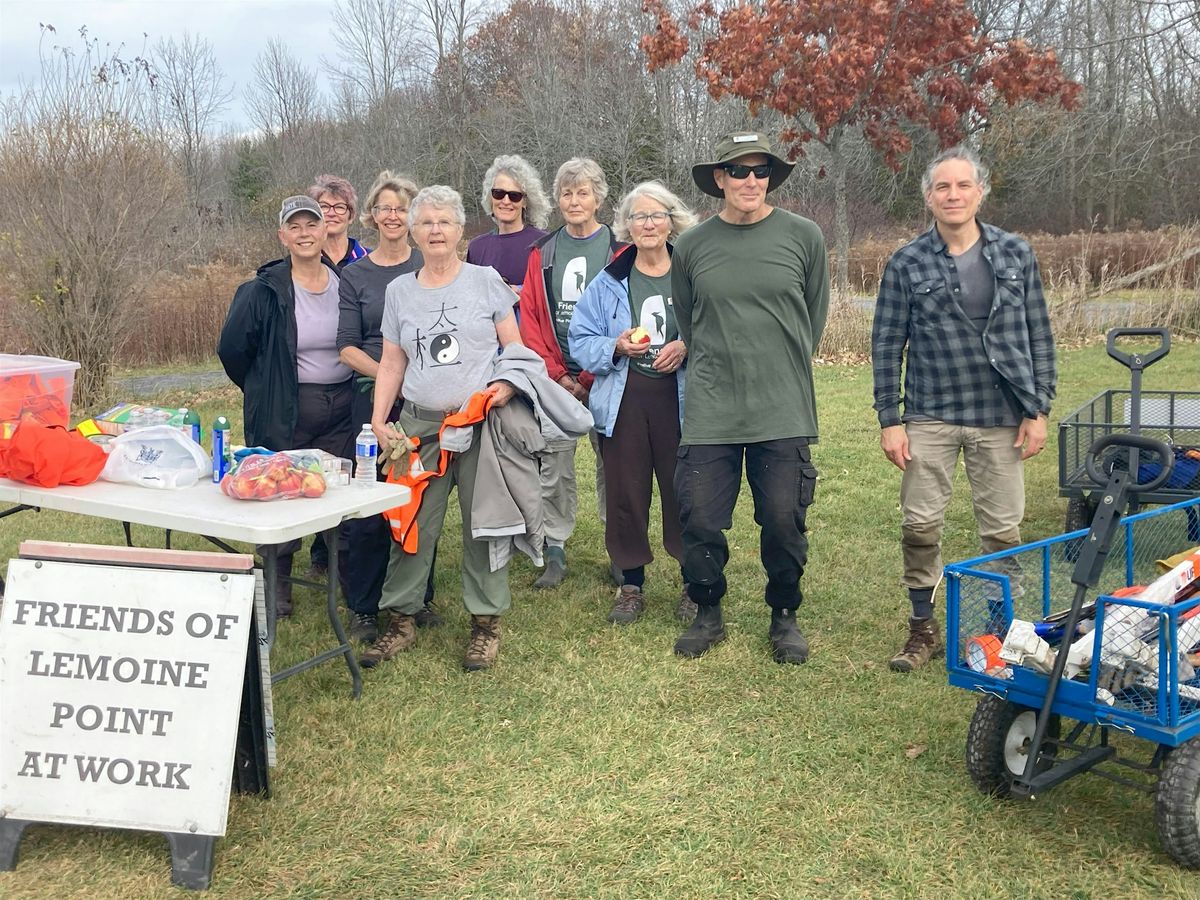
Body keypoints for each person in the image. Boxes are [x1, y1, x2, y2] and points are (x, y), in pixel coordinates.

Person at [872, 145, 1057, 672]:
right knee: (920, 524)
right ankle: (921, 628)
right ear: (929, 197)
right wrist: (891, 419)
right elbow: (887, 345)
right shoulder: (907, 262)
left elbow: (1038, 334)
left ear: (980, 191)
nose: (952, 195)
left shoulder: (1016, 253)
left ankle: (1000, 636)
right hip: (930, 413)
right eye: (942, 187)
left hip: (1002, 414)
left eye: (963, 185)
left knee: (1002, 530)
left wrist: (1038, 407)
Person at [669, 131, 829, 664]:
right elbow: (688, 316)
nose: (750, 181)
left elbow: (813, 317)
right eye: (738, 171)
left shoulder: (803, 237)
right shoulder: (691, 245)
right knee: (700, 519)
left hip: (781, 406)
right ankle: (707, 611)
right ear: (719, 179)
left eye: (761, 172)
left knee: (783, 518)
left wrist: (778, 366)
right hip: (713, 406)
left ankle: (784, 614)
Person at [362, 185, 523, 672]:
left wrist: (507, 388)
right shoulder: (399, 291)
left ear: (459, 231)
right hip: (419, 426)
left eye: (444, 222)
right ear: (413, 230)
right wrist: (379, 417)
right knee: (410, 523)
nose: (435, 230)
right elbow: (391, 362)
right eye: (426, 222)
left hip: (479, 424)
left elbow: (513, 346)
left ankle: (485, 624)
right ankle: (400, 620)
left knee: (484, 524)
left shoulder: (485, 281)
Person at [218, 196, 355, 618]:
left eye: (310, 225)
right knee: (279, 492)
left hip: (341, 406)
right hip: (287, 408)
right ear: (283, 236)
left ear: (324, 231)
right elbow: (232, 350)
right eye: (294, 227)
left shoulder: (342, 283)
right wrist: (266, 388)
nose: (304, 233)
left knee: (336, 495)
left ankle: (347, 587)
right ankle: (278, 591)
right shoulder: (263, 291)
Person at [568, 181, 697, 625]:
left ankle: (694, 583)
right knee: (626, 492)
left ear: (671, 220)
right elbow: (580, 339)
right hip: (625, 400)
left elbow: (717, 325)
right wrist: (615, 347)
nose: (648, 224)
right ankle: (631, 583)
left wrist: (686, 344)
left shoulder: (692, 271)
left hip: (681, 399)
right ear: (626, 225)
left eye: (656, 215)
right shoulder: (608, 282)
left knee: (686, 491)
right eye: (639, 217)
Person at [337, 170, 442, 645]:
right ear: (372, 216)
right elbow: (346, 346)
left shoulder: (428, 266)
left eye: (402, 208)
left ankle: (416, 597)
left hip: (420, 403)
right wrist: (389, 373)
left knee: (418, 497)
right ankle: (364, 605)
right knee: (371, 503)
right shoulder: (355, 275)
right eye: (385, 208)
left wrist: (410, 376)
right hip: (372, 404)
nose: (393, 216)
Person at [518, 158, 626, 589]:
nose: (574, 201)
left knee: (613, 465)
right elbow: (530, 319)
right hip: (555, 379)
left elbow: (626, 316)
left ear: (598, 198)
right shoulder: (542, 253)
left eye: (583, 192)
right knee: (554, 465)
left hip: (609, 376)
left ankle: (620, 547)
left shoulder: (621, 251)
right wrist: (559, 375)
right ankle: (555, 549)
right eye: (567, 193)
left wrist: (590, 376)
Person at [466, 154, 550, 298]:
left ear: (525, 201)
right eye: (498, 193)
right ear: (490, 197)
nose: (505, 201)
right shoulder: (476, 248)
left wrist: (522, 294)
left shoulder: (544, 243)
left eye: (514, 196)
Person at [309, 173, 370, 270]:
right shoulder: (305, 260)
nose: (332, 213)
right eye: (324, 206)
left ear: (351, 216)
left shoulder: (370, 260)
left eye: (339, 207)